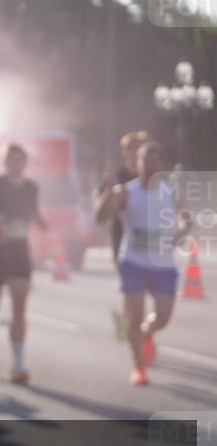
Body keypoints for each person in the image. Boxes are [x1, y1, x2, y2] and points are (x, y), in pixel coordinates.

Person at [94, 141, 189, 385]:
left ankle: (147, 333)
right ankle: (139, 368)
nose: (149, 165)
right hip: (133, 263)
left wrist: (180, 233)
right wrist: (109, 189)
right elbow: (100, 217)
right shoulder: (126, 191)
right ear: (137, 163)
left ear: (160, 165)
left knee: (164, 318)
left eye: (154, 161)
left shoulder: (169, 190)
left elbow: (186, 218)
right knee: (134, 319)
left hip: (163, 265)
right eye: (145, 160)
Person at [0, 143, 47, 384]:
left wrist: (44, 225)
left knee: (19, 307)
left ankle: (17, 362)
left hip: (19, 253)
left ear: (25, 163)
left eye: (20, 160)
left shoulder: (31, 188)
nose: (16, 165)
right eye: (12, 160)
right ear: (4, 162)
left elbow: (34, 214)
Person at [97, 131, 148, 340]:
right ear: (125, 152)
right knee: (129, 287)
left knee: (143, 290)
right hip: (122, 238)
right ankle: (127, 320)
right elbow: (100, 205)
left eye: (140, 147)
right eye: (132, 148)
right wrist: (108, 187)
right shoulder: (116, 176)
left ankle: (134, 324)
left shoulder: (150, 175)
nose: (136, 152)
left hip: (147, 238)